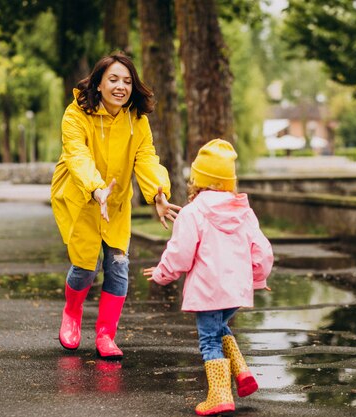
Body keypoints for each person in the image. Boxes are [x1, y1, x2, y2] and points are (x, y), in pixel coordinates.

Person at [51, 52, 181, 359]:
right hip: (81, 196)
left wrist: (158, 194)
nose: (121, 86)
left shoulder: (138, 121)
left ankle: (106, 335)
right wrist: (96, 189)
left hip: (117, 201)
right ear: (98, 84)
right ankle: (72, 312)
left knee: (118, 267)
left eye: (127, 81)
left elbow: (146, 159)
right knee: (85, 267)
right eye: (113, 79)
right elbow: (77, 156)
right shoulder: (75, 115)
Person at [143, 139, 273, 416]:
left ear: (197, 180)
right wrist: (258, 278)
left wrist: (161, 274)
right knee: (220, 328)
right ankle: (242, 372)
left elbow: (179, 253)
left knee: (209, 340)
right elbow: (262, 249)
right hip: (235, 291)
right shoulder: (244, 212)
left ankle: (220, 396)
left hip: (208, 291)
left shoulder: (193, 212)